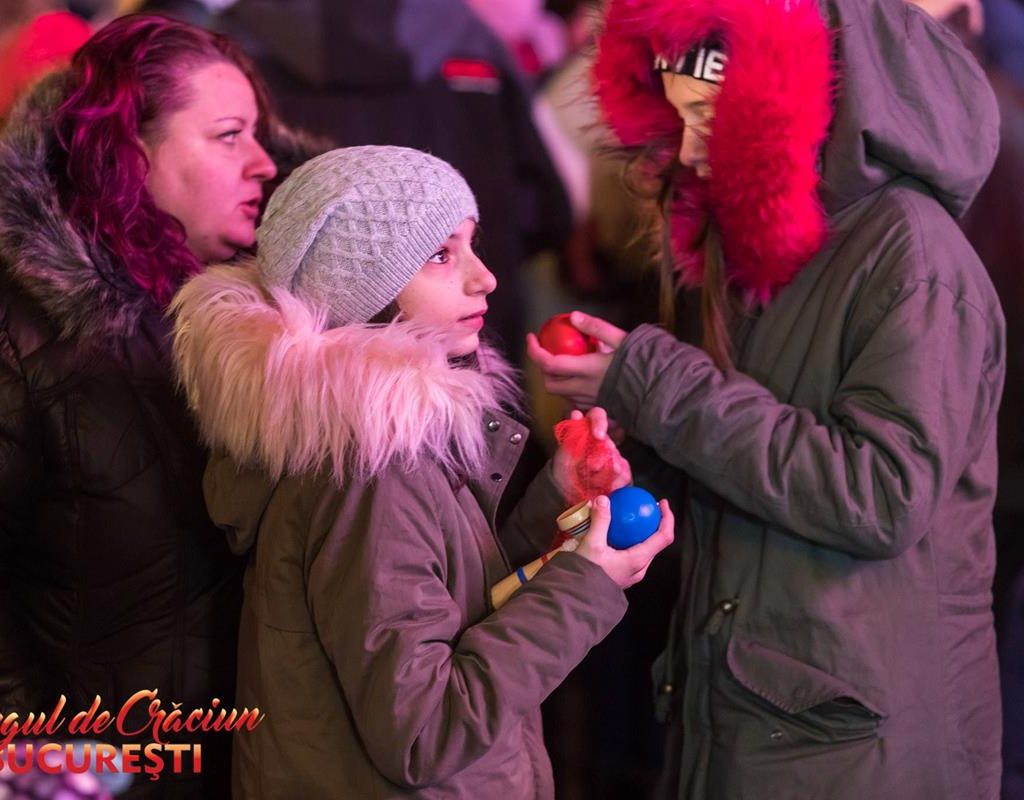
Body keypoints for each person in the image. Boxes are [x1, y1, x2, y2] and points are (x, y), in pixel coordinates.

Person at [528, 0, 1004, 797]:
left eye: (710, 115)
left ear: (787, 100)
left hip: (859, 736)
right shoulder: (760, 237)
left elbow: (880, 495)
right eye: (679, 116)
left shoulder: (913, 256)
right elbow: (750, 451)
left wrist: (658, 384)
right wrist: (630, 458)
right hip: (765, 703)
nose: (690, 149)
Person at [169, 145, 675, 799]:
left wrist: (558, 502)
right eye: (440, 254)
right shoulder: (369, 474)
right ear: (362, 290)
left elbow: (452, 600)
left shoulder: (373, 441)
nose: (485, 278)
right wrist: (586, 586)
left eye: (471, 244)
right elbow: (424, 731)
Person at [0, 14, 314, 798]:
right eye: (229, 136)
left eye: (258, 134)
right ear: (129, 153)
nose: (264, 163)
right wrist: (37, 759)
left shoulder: (282, 314)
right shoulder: (26, 327)